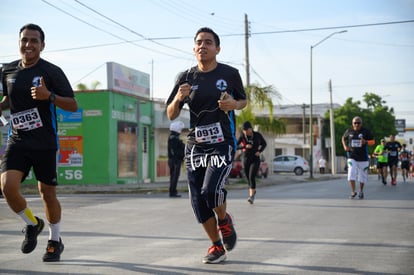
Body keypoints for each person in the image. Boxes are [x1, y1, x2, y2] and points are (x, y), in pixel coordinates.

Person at [166, 27, 247, 264]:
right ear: (194, 49)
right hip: (195, 145)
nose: (203, 46)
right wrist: (180, 98)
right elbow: (171, 114)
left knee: (210, 191)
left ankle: (224, 220)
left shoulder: (230, 74)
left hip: (222, 142)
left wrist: (234, 103)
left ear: (217, 49)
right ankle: (216, 246)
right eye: (199, 42)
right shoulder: (185, 77)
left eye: (208, 42)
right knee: (197, 202)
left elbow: (242, 101)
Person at [0, 24, 78, 262]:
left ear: (42, 45)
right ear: (19, 42)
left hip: (45, 143)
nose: (29, 44)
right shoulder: (7, 70)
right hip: (18, 139)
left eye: (34, 40)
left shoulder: (51, 72)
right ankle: (32, 224)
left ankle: (55, 240)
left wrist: (49, 97)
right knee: (6, 186)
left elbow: (73, 105)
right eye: (25, 40)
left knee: (47, 194)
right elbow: (8, 100)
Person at [341, 116, 375, 199]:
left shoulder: (366, 131)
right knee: (351, 173)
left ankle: (361, 191)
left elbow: (373, 141)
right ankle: (353, 191)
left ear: (361, 123)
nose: (356, 124)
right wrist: (345, 146)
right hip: (352, 156)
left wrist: (366, 142)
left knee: (362, 176)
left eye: (358, 123)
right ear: (352, 124)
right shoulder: (349, 131)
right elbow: (343, 138)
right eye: (355, 123)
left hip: (363, 157)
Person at [236, 121, 267, 204]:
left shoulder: (257, 135)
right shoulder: (242, 136)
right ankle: (253, 190)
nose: (245, 131)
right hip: (246, 159)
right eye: (243, 130)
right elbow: (235, 146)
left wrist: (259, 151)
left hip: (255, 159)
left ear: (250, 129)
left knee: (251, 176)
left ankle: (251, 196)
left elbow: (264, 144)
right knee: (247, 177)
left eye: (246, 130)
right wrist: (244, 146)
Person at [168, 120, 185, 197]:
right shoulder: (173, 138)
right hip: (175, 161)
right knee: (174, 176)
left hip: (175, 160)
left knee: (174, 176)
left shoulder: (174, 137)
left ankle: (173, 191)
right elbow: (174, 151)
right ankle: (172, 192)